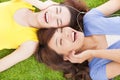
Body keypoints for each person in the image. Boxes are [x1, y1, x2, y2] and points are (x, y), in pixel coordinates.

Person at [35, 0, 120, 80]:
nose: (66, 34)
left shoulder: (89, 20)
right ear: (66, 57)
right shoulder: (97, 71)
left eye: (61, 30)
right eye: (61, 41)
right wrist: (93, 53)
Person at [0, 0, 88, 72]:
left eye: (58, 22)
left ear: (54, 30)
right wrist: (41, 4)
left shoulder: (30, 43)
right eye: (57, 10)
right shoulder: (25, 4)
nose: (52, 16)